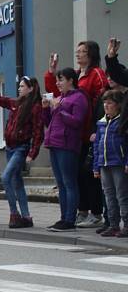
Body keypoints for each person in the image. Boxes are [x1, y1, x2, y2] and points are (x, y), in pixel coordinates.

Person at [46, 42, 108, 228]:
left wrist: (96, 128)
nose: (79, 55)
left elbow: (101, 101)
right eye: (77, 52)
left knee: (85, 176)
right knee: (72, 179)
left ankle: (91, 213)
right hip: (60, 140)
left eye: (83, 52)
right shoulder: (75, 77)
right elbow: (55, 95)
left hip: (83, 134)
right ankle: (74, 213)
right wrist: (51, 72)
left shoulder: (94, 74)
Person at [0, 74, 44, 228]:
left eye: (22, 86)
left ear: (31, 88)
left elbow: (38, 132)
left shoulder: (35, 107)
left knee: (6, 177)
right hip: (10, 147)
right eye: (19, 86)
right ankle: (26, 216)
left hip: (21, 148)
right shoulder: (16, 103)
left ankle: (14, 213)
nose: (19, 89)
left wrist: (32, 153)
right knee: (17, 182)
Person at [42, 68, 90, 231]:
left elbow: (77, 122)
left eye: (61, 79)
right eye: (57, 80)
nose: (57, 83)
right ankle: (63, 218)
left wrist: (59, 108)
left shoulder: (79, 98)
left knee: (69, 182)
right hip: (54, 143)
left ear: (71, 80)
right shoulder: (60, 98)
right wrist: (46, 108)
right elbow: (49, 122)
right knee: (61, 183)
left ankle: (70, 219)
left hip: (68, 144)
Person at [92, 89, 128, 237]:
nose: (106, 106)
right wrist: (96, 166)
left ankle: (126, 224)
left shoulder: (122, 122)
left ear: (118, 105)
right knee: (109, 195)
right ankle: (113, 224)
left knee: (122, 195)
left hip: (118, 163)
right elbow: (96, 147)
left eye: (110, 103)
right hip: (104, 163)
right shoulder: (101, 123)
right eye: (104, 103)